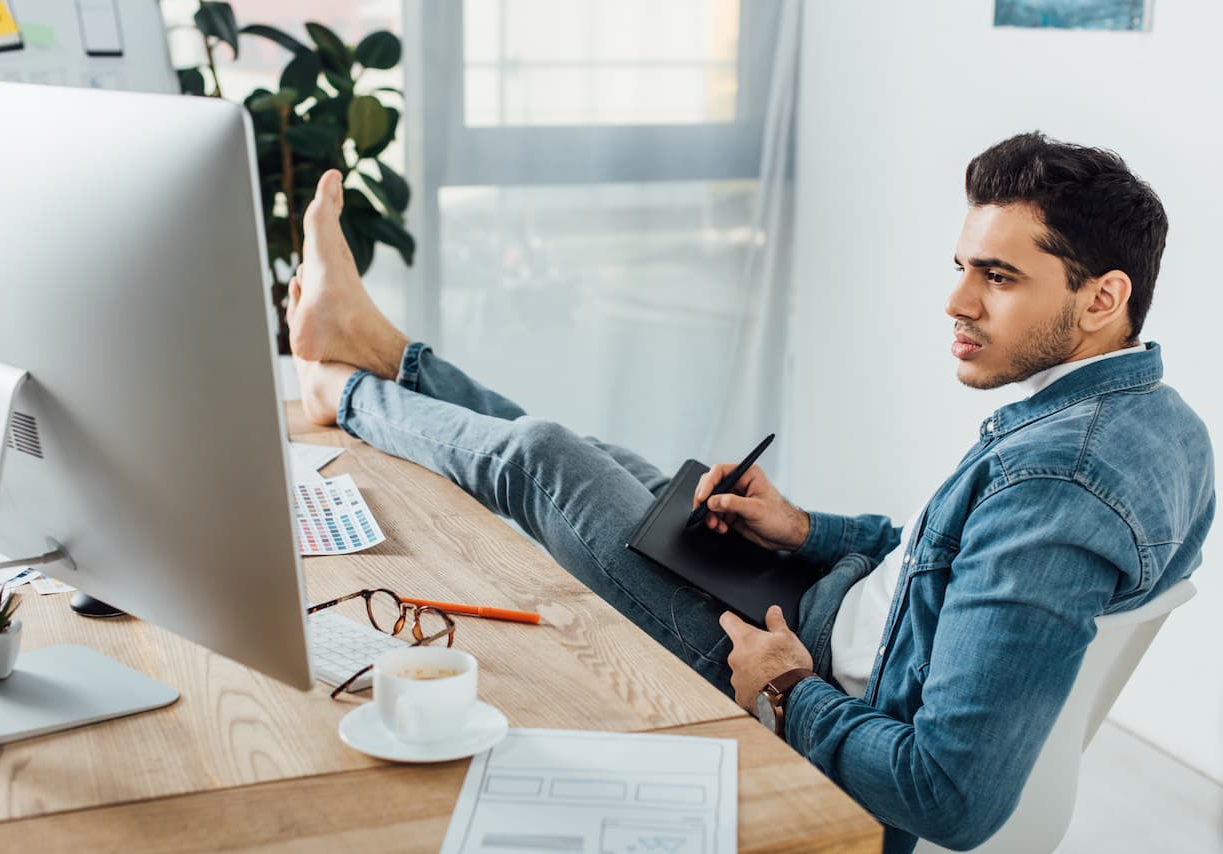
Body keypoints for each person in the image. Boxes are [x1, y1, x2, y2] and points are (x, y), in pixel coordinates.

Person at [287, 133, 1214, 853]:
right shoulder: (1154, 419)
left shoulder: (1059, 483)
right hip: (827, 605)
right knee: (604, 456)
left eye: (998, 276)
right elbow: (957, 565)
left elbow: (950, 797)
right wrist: (804, 526)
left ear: (1103, 299)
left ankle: (348, 388)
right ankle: (380, 350)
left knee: (541, 460)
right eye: (963, 266)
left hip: (779, 665)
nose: (957, 302)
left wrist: (789, 691)